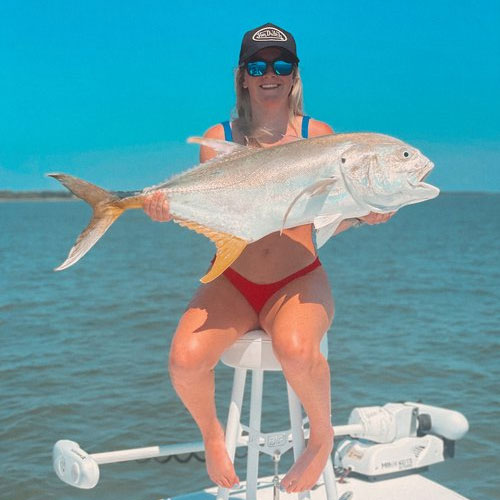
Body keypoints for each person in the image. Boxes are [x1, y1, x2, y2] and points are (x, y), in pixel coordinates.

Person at [144, 23, 393, 493]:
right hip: (234, 280)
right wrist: (163, 205)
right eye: (258, 66)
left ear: (294, 74)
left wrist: (363, 215)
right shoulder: (215, 138)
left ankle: (320, 438)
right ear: (242, 76)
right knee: (184, 361)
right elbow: (226, 216)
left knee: (298, 352)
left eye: (282, 65)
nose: (270, 75)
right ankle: (214, 434)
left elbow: (331, 213)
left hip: (297, 277)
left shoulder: (316, 134)